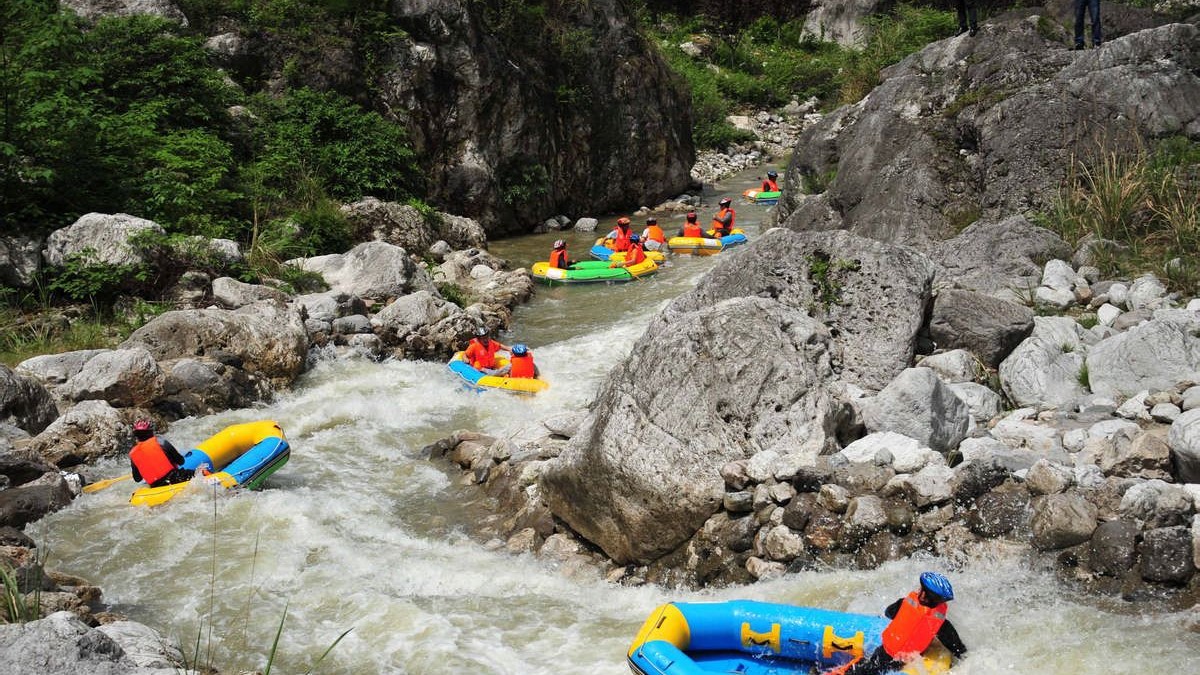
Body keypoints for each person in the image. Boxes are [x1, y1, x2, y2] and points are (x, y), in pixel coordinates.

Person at [824, 572, 968, 675]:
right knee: (868, 670)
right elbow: (957, 647)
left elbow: (889, 612)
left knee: (869, 668)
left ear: (923, 594)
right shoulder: (940, 623)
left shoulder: (905, 603)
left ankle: (845, 669)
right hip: (892, 657)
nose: (918, 591)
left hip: (886, 651)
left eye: (921, 589)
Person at [129, 419, 194, 488]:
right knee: (199, 472)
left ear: (136, 436)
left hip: (155, 486)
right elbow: (181, 461)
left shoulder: (133, 454)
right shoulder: (161, 442)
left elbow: (137, 479)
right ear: (150, 432)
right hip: (175, 478)